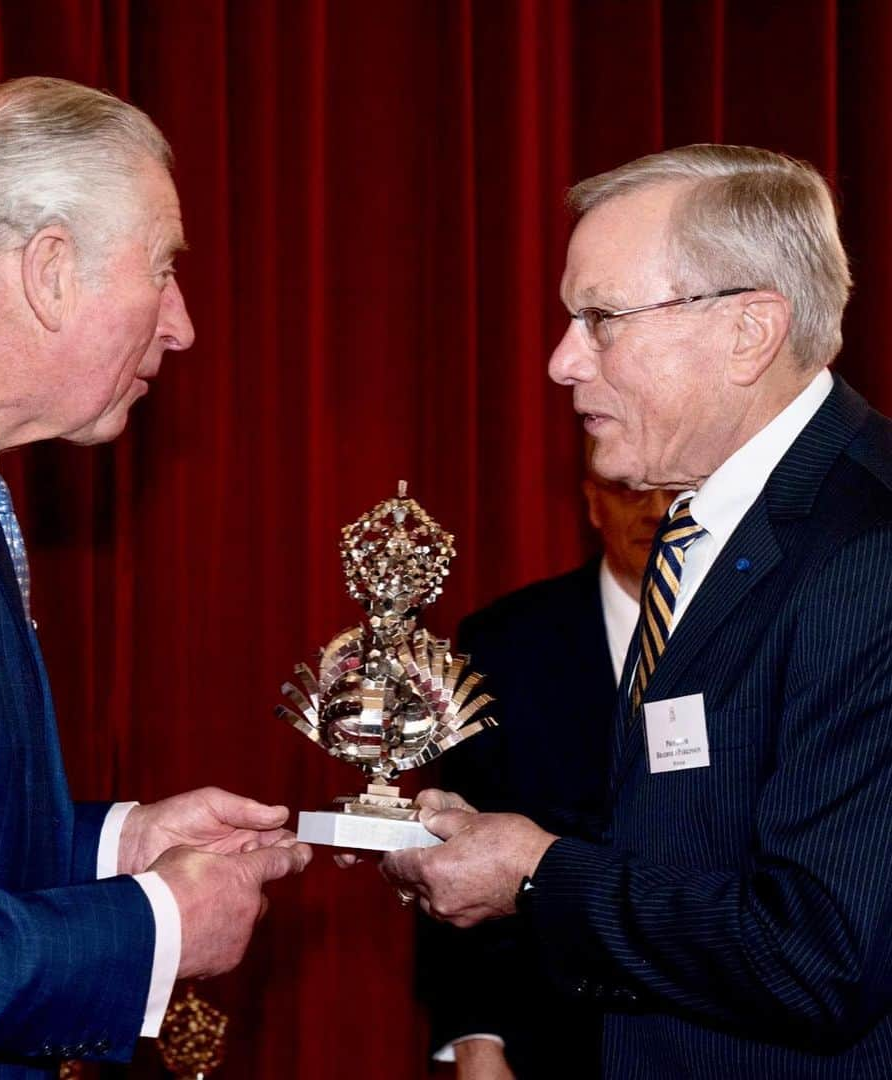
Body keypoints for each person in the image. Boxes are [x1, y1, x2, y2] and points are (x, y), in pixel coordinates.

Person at [0, 77, 311, 1077]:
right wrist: (158, 924)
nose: (182, 325)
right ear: (48, 270)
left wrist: (114, 846)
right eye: (162, 269)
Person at [382, 145, 892, 1077]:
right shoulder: (716, 524)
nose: (560, 361)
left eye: (602, 319)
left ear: (751, 331)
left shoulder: (869, 551)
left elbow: (822, 954)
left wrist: (537, 870)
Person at [418, 470, 671, 1079]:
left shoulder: (760, 630)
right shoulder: (505, 642)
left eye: (676, 492)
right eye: (631, 490)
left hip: (719, 1032)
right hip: (545, 1035)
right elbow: (455, 835)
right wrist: (476, 1038)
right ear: (591, 502)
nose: (656, 510)